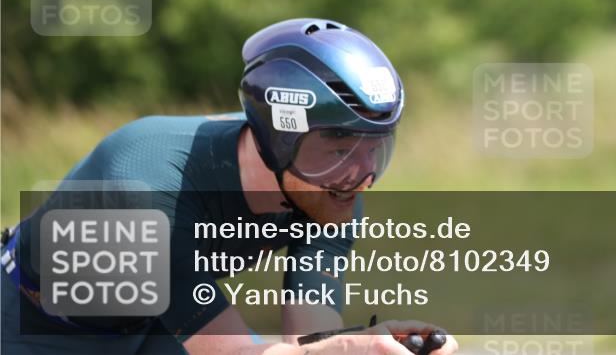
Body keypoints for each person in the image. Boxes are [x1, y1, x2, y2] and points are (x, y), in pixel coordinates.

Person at [1, 18, 458, 355]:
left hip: (147, 324)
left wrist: (367, 344)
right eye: (337, 149)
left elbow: (309, 340)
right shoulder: (147, 193)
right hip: (31, 324)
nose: (362, 177)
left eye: (374, 150)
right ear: (279, 139)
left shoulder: (331, 190)